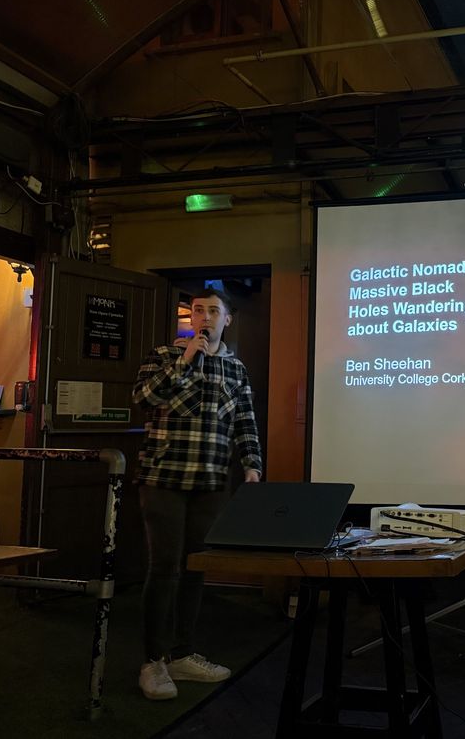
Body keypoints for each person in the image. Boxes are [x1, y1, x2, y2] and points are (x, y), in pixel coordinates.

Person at [132, 288, 262, 700]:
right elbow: (144, 398)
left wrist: (252, 466)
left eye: (213, 311)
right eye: (198, 311)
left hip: (210, 482)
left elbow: (245, 421)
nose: (204, 317)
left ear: (228, 320)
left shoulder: (236, 370)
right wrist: (187, 360)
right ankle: (153, 662)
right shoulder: (163, 356)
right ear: (191, 320)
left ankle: (182, 654)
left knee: (195, 567)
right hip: (163, 479)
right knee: (164, 567)